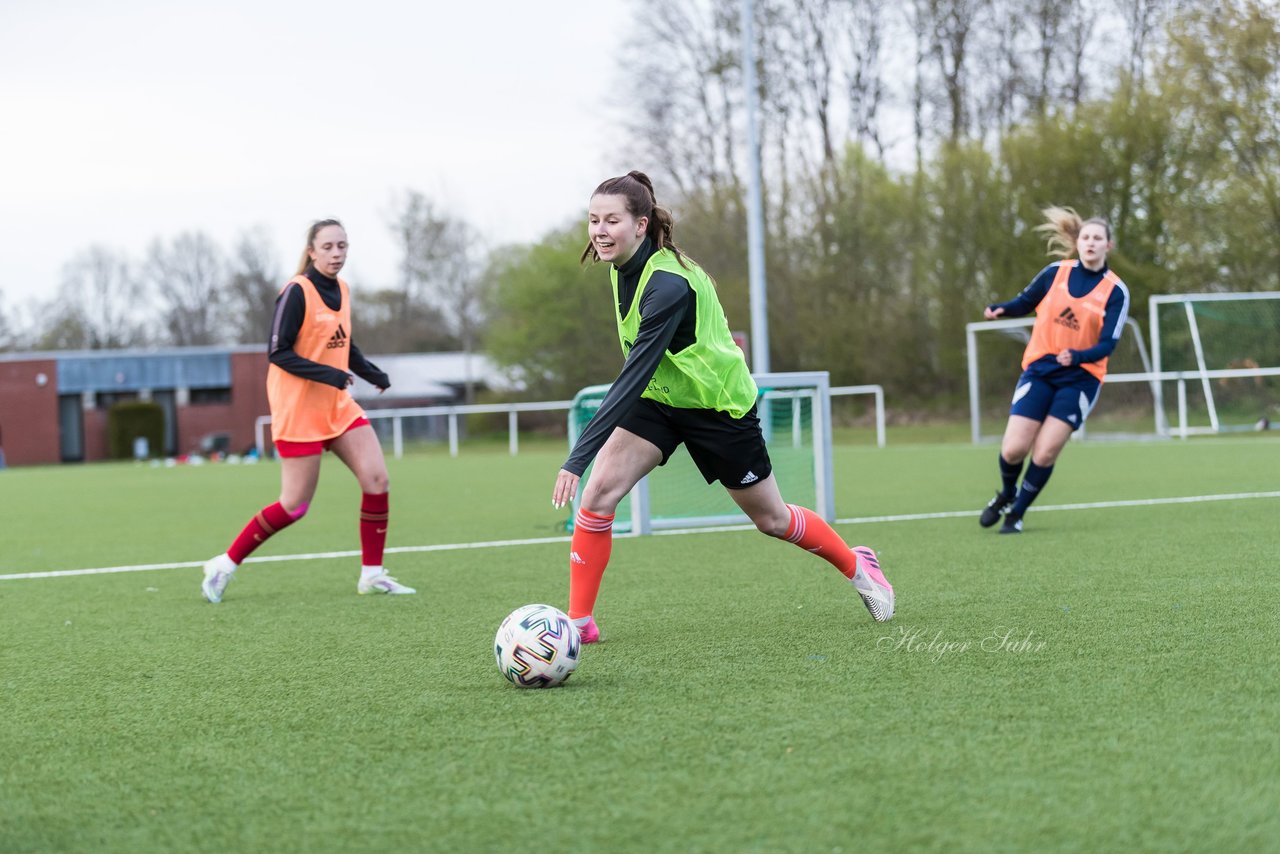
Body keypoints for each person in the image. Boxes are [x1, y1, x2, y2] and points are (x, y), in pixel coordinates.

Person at [551, 171, 894, 643]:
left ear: (641, 225)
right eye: (593, 220)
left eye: (612, 220)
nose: (600, 231)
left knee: (771, 519)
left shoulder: (667, 286)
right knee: (599, 496)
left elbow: (632, 376)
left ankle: (860, 566)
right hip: (662, 398)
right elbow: (644, 377)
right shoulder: (619, 266)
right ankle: (578, 625)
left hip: (718, 407)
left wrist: (577, 457)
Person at [200, 219, 415, 601]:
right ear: (312, 251)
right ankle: (225, 564)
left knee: (377, 481)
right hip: (298, 411)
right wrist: (329, 374)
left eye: (342, 246)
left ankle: (372, 574)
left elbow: (341, 342)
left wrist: (370, 372)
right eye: (328, 246)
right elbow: (277, 352)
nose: (337, 253)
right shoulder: (296, 291)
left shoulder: (344, 290)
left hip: (336, 406)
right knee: (294, 506)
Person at [979, 206, 1131, 534]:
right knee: (1014, 448)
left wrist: (1076, 356)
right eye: (1086, 237)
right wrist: (1001, 308)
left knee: (1045, 451)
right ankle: (1007, 493)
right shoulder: (1055, 273)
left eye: (1098, 238)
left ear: (1109, 245)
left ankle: (1017, 513)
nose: (1091, 243)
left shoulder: (1115, 291)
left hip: (1081, 378)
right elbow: (1025, 301)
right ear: (1078, 242)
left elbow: (1108, 344)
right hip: (1040, 369)